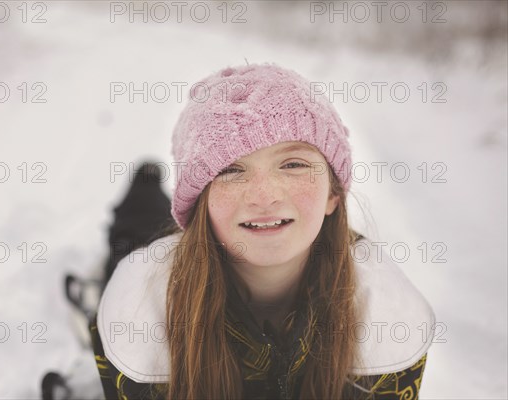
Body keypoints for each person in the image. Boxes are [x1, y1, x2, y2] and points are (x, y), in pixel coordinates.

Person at [91, 63, 436, 399]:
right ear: (199, 201)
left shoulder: (389, 315)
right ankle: (145, 182)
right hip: (159, 251)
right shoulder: (138, 308)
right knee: (137, 229)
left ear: (332, 192)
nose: (264, 197)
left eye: (293, 164)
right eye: (230, 170)